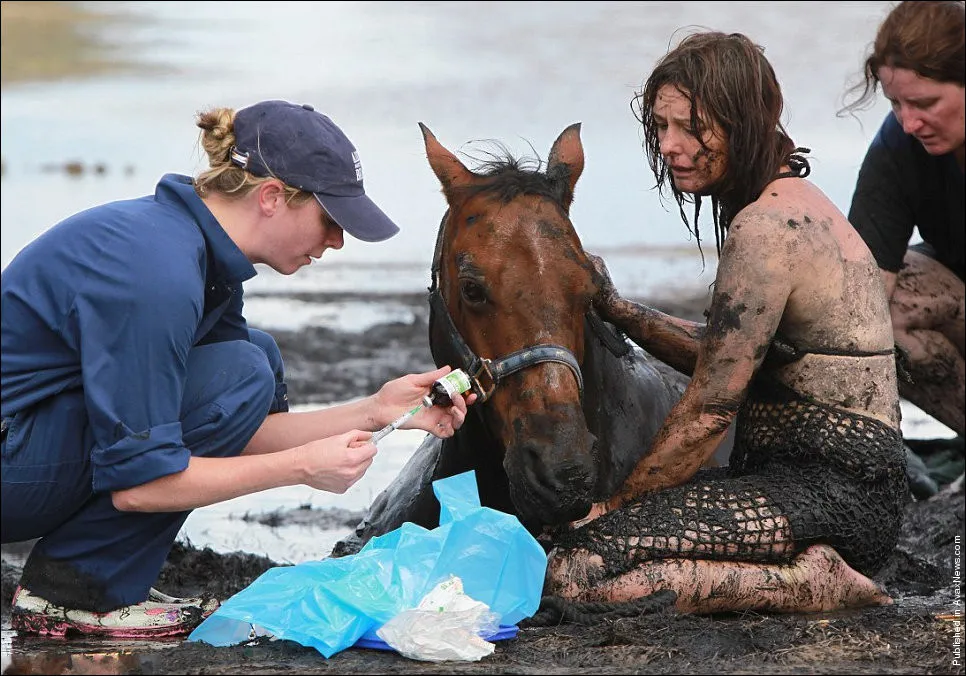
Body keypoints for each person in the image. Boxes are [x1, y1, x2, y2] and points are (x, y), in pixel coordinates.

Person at [0, 99, 474, 638]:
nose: (337, 240)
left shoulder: (199, 257)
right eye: (331, 218)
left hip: (25, 446)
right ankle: (77, 594)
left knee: (253, 359)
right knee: (243, 369)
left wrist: (374, 412)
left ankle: (91, 579)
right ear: (273, 197)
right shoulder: (157, 271)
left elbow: (233, 430)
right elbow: (141, 484)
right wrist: (301, 467)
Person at [545, 31, 908, 615]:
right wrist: (617, 308)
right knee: (615, 549)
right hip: (842, 488)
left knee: (575, 569)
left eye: (692, 126)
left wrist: (614, 509)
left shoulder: (766, 227)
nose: (671, 144)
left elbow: (711, 409)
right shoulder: (793, 200)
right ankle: (806, 570)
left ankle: (814, 584)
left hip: (829, 494)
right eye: (661, 127)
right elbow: (731, 358)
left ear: (743, 120)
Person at [841, 0, 964, 493]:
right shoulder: (899, 145)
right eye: (896, 104)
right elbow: (856, 296)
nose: (909, 121)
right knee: (879, 310)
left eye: (926, 104)